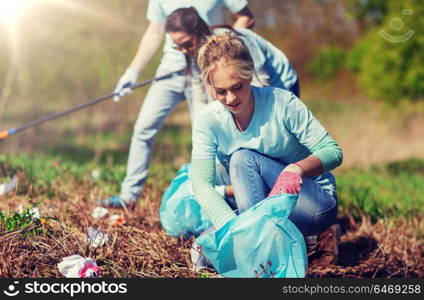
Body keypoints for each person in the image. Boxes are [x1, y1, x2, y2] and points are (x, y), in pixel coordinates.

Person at [190, 33, 343, 253]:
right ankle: (267, 240)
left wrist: (297, 170)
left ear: (250, 73)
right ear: (209, 86)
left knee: (242, 159)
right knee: (204, 249)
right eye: (221, 92)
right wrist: (231, 227)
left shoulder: (282, 102)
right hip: (262, 208)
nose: (231, 98)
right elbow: (201, 184)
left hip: (311, 203)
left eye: (238, 87)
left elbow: (333, 151)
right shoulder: (208, 121)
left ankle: (263, 245)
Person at [100, 0, 255, 208]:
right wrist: (133, 71)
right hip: (169, 71)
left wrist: (223, 48)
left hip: (205, 70)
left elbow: (246, 17)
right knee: (143, 128)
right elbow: (154, 33)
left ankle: (218, 195)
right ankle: (128, 196)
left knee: (207, 136)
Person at [164, 7, 299, 120]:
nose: (182, 50)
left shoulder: (233, 42)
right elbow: (198, 95)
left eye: (186, 44)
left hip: (280, 83)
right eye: (178, 46)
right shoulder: (193, 55)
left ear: (198, 31)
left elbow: (260, 80)